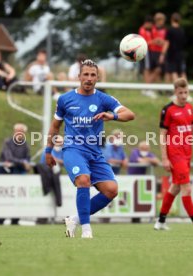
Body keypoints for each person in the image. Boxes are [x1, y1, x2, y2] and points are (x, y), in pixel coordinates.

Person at [45, 59, 135, 238]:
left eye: (93, 75)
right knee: (83, 180)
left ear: (97, 78)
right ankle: (86, 230)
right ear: (79, 76)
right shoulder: (65, 99)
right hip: (73, 149)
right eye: (85, 74)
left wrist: (112, 115)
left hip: (94, 152)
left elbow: (130, 114)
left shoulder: (103, 99)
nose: (89, 78)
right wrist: (48, 151)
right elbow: (55, 126)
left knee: (111, 190)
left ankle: (75, 219)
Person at [154, 78, 193, 231]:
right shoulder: (168, 110)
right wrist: (165, 158)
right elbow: (162, 135)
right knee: (186, 188)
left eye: (186, 92)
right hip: (175, 154)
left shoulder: (189, 108)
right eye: (181, 93)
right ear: (175, 92)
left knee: (175, 188)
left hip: (187, 153)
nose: (184, 96)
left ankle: (160, 221)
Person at [0, 123, 31, 225]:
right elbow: (9, 158)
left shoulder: (25, 144)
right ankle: (0, 220)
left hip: (17, 174)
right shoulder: (7, 142)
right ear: (14, 132)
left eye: (22, 132)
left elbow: (28, 158)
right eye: (18, 131)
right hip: (4, 174)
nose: (19, 133)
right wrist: (23, 163)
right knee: (3, 198)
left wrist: (25, 163)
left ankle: (15, 220)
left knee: (18, 198)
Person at [159, 13, 187, 83]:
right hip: (180, 54)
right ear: (179, 20)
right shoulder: (182, 30)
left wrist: (162, 55)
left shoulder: (170, 30)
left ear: (171, 19)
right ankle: (186, 89)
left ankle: (177, 89)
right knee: (182, 72)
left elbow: (167, 43)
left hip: (172, 55)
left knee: (173, 72)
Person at [138, 15, 153, 83]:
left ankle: (147, 86)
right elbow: (143, 43)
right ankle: (147, 87)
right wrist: (154, 41)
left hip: (148, 52)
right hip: (145, 52)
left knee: (147, 69)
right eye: (151, 24)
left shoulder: (147, 31)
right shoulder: (142, 31)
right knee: (146, 69)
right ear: (147, 23)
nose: (151, 26)